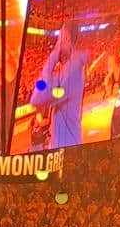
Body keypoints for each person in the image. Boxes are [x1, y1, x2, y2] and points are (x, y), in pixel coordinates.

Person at [32, 16, 88, 146]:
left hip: (65, 143)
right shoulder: (71, 68)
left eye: (59, 38)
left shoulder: (71, 72)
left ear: (66, 38)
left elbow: (37, 97)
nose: (57, 42)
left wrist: (53, 55)